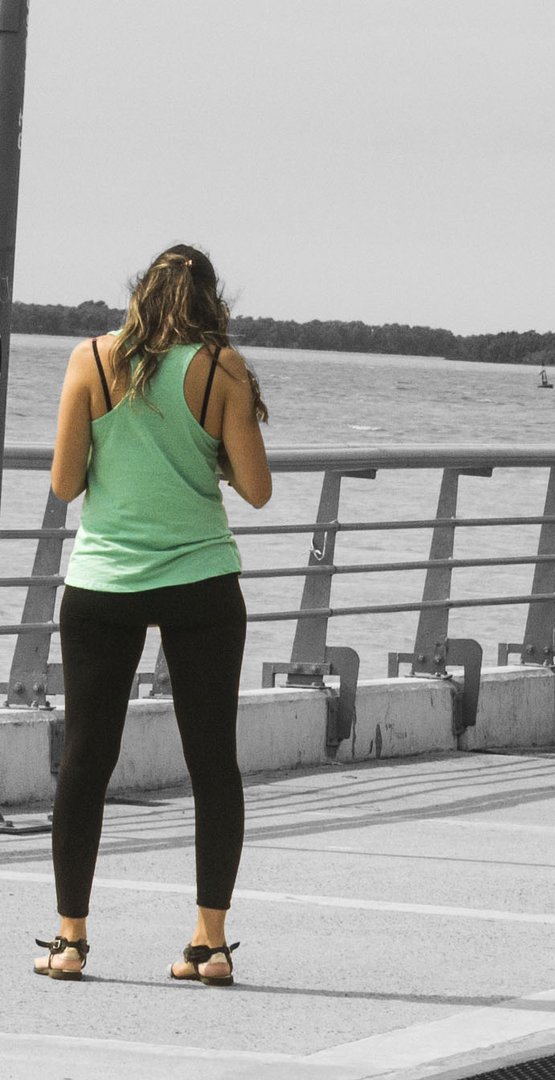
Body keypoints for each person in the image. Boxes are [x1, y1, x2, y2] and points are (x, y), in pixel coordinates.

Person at [36, 245, 272, 986]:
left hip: (104, 583)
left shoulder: (90, 360)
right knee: (212, 763)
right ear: (209, 300)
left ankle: (71, 940)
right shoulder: (222, 368)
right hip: (201, 578)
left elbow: (67, 482)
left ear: (140, 294)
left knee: (85, 759)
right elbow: (258, 489)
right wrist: (209, 455)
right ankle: (210, 945)